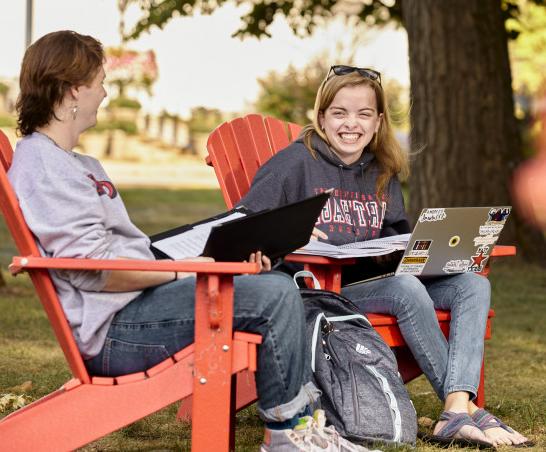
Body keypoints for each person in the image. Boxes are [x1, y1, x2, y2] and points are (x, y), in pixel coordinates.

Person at [8, 31, 371, 452]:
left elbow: (114, 255)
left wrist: (213, 255)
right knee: (271, 294)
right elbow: (96, 270)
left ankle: (297, 430)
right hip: (114, 330)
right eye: (100, 82)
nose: (105, 94)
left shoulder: (75, 162)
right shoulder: (43, 166)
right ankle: (290, 434)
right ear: (74, 89)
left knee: (268, 281)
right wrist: (191, 266)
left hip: (135, 303)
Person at [239, 65, 532, 448]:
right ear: (322, 116)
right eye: (340, 113)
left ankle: (457, 404)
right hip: (318, 294)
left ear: (378, 122)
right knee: (406, 289)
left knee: (471, 284)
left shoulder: (381, 170)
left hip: (370, 282)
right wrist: (288, 233)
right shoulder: (294, 165)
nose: (351, 124)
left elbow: (394, 233)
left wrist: (413, 248)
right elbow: (243, 227)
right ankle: (463, 412)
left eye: (363, 114)